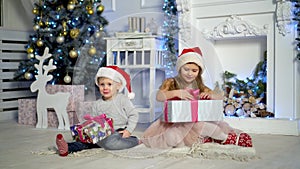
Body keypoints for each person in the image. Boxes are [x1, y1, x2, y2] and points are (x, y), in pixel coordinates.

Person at [141, 47, 252, 148]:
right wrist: (176, 93)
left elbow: (220, 96)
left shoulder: (199, 85)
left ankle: (226, 138)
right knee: (172, 138)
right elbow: (159, 96)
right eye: (186, 69)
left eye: (194, 71)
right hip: (173, 123)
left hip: (193, 120)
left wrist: (211, 95)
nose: (190, 73)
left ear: (199, 72)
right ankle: (195, 141)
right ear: (180, 69)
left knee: (205, 127)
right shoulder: (171, 82)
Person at [56, 65, 140, 156]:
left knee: (111, 143)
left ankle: (134, 141)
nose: (105, 87)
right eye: (102, 84)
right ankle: (67, 147)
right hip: (99, 133)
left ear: (118, 86)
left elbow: (134, 114)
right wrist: (86, 132)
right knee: (86, 142)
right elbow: (92, 121)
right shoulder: (97, 104)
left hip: (117, 131)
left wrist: (128, 130)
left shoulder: (122, 99)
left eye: (109, 84)